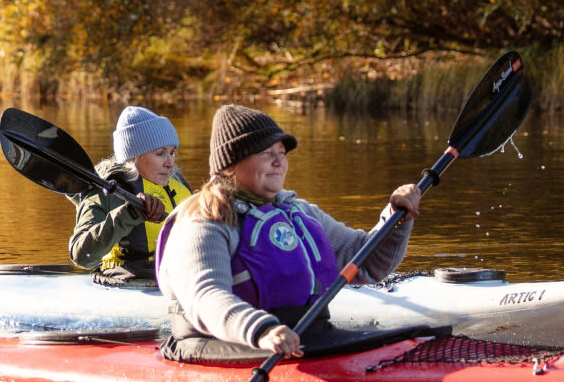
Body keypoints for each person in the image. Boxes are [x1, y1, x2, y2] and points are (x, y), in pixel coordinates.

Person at [153, 103, 422, 363]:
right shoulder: (205, 218)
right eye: (265, 153)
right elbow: (206, 297)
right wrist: (262, 330)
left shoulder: (296, 211)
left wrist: (396, 220)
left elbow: (367, 263)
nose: (278, 162)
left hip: (301, 336)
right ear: (230, 164)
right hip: (219, 343)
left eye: (281, 153)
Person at [69, 105, 196, 282]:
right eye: (160, 153)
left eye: (172, 153)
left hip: (181, 281)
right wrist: (127, 215)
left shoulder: (177, 185)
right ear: (133, 157)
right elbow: (82, 257)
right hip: (124, 285)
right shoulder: (106, 192)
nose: (170, 163)